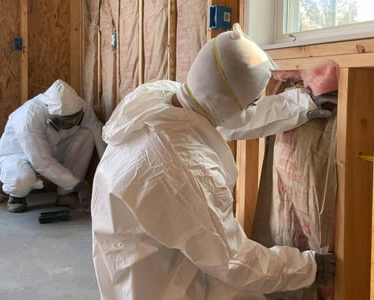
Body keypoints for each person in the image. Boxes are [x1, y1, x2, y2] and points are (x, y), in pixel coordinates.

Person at [91, 23, 335, 299]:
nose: (253, 107)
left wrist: (302, 104)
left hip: (137, 247)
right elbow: (233, 261)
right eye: (252, 102)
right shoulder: (183, 171)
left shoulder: (161, 98)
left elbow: (228, 117)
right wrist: (309, 268)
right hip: (157, 283)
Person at [0, 79, 106, 213]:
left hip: (52, 149)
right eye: (64, 122)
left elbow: (96, 128)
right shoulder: (29, 115)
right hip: (18, 156)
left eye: (73, 120)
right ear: (51, 112)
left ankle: (66, 194)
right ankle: (16, 196)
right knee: (22, 181)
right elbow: (41, 161)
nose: (69, 125)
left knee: (87, 134)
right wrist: (77, 184)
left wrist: (107, 166)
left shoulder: (79, 105)